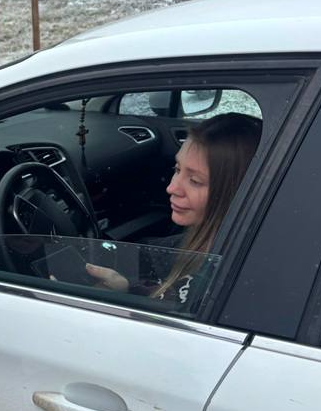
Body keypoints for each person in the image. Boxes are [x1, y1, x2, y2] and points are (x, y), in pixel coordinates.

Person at [86, 112, 262, 304]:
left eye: (195, 180)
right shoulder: (207, 245)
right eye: (177, 169)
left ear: (237, 192)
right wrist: (125, 289)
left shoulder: (221, 280)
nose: (172, 188)